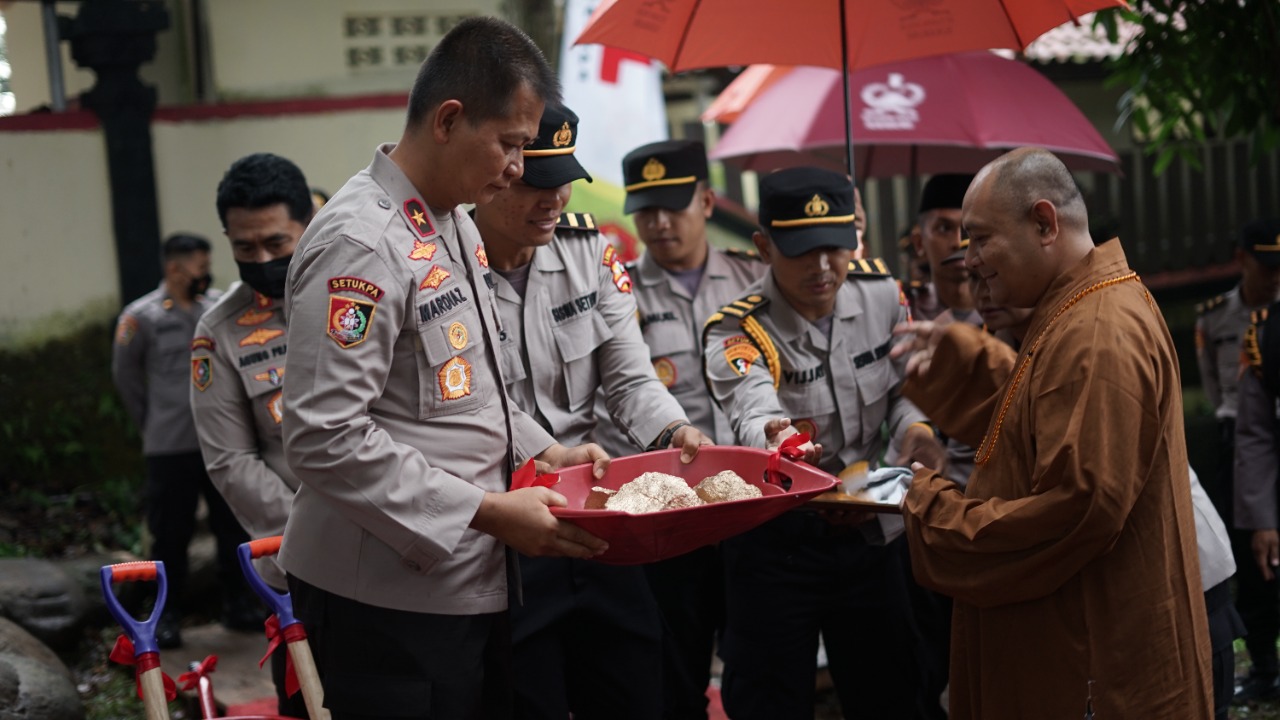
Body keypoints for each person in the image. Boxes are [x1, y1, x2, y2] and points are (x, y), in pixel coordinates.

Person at [278, 18, 611, 719]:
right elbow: (322, 438)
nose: (520, 167)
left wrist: (543, 449)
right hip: (386, 601)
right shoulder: (362, 245)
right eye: (511, 144)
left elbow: (468, 388)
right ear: (449, 119)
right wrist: (488, 512)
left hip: (462, 578)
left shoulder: (448, 219)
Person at [893, 147, 1213, 718]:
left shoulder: (1095, 330)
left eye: (980, 238)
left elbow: (1078, 508)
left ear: (1044, 222)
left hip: (1094, 667)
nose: (967, 261)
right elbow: (1037, 421)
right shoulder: (1078, 308)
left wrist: (935, 511)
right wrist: (968, 363)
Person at [471, 102, 712, 719]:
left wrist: (677, 430)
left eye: (564, 180)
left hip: (601, 518)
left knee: (635, 685)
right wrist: (546, 456)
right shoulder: (445, 267)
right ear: (495, 173)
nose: (554, 199)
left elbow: (630, 378)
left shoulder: (589, 252)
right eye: (536, 182)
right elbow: (473, 399)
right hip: (506, 528)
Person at [702, 166, 944, 720]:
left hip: (870, 531)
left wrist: (917, 431)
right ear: (763, 246)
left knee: (894, 688)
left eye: (836, 246)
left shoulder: (881, 294)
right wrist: (783, 445)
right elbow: (752, 406)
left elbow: (904, 391)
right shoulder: (736, 329)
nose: (822, 266)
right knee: (768, 697)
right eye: (802, 250)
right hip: (776, 541)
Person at [979, 271, 1242, 719]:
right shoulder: (1015, 353)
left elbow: (1087, 499)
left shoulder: (1088, 334)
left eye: (990, 258)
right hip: (1120, 597)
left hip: (1179, 580)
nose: (985, 286)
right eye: (971, 276)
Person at [597, 138, 766, 719]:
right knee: (674, 675)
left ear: (708, 201)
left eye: (674, 205)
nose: (660, 223)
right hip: (668, 521)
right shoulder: (616, 294)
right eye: (646, 210)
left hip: (750, 507)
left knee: (759, 671)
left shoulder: (756, 282)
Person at [190, 152, 313, 717]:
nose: (261, 260)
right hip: (299, 564)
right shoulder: (217, 332)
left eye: (275, 243)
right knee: (312, 696)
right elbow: (230, 460)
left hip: (404, 538)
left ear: (308, 223)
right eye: (244, 248)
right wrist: (313, 533)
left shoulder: (357, 290)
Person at [112, 233, 260, 649]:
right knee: (169, 535)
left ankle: (240, 605)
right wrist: (153, 422)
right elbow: (126, 379)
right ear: (174, 268)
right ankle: (166, 616)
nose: (206, 272)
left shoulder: (217, 307)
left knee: (232, 528)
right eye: (199, 265)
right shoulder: (140, 317)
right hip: (170, 445)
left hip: (221, 440)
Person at [1195, 217, 1280, 702]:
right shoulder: (1215, 317)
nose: (1273, 276)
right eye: (1265, 265)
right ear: (1243, 259)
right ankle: (1264, 663)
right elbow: (1210, 380)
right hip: (1239, 436)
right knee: (1247, 547)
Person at [913, 173, 978, 321]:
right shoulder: (904, 313)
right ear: (919, 242)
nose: (958, 242)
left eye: (969, 229)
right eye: (944, 229)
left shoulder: (1011, 312)